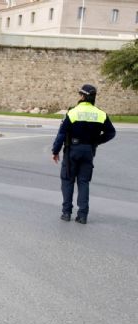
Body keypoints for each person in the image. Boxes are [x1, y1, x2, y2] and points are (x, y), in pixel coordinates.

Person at [52, 84, 116, 224]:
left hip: (72, 150)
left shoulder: (73, 112)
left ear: (82, 96)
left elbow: (62, 133)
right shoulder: (100, 114)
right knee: (83, 182)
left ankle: (67, 212)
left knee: (68, 180)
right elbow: (111, 133)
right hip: (88, 151)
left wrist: (55, 151)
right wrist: (96, 142)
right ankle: (82, 215)